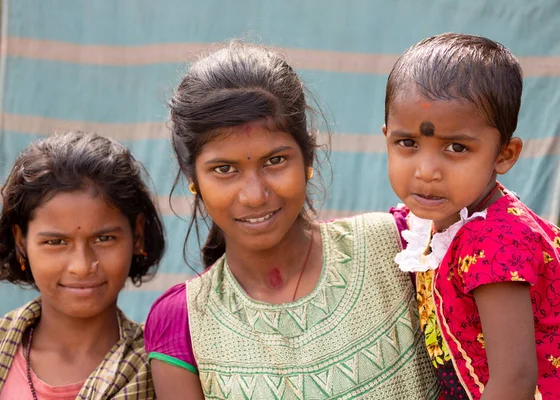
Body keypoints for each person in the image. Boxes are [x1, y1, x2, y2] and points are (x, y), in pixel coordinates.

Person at [144, 42, 440, 399]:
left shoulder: (402, 248)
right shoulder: (184, 321)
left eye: (275, 161)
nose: (254, 194)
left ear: (307, 156)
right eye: (224, 169)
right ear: (193, 178)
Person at [384, 33, 560, 399]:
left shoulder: (495, 242)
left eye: (456, 147)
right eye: (408, 144)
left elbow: (514, 382)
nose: (427, 170)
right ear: (386, 138)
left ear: (504, 155)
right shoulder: (434, 221)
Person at [0, 131, 164, 399]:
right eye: (56, 242)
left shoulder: (161, 371)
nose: (81, 266)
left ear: (137, 235)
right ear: (21, 242)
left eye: (104, 238)